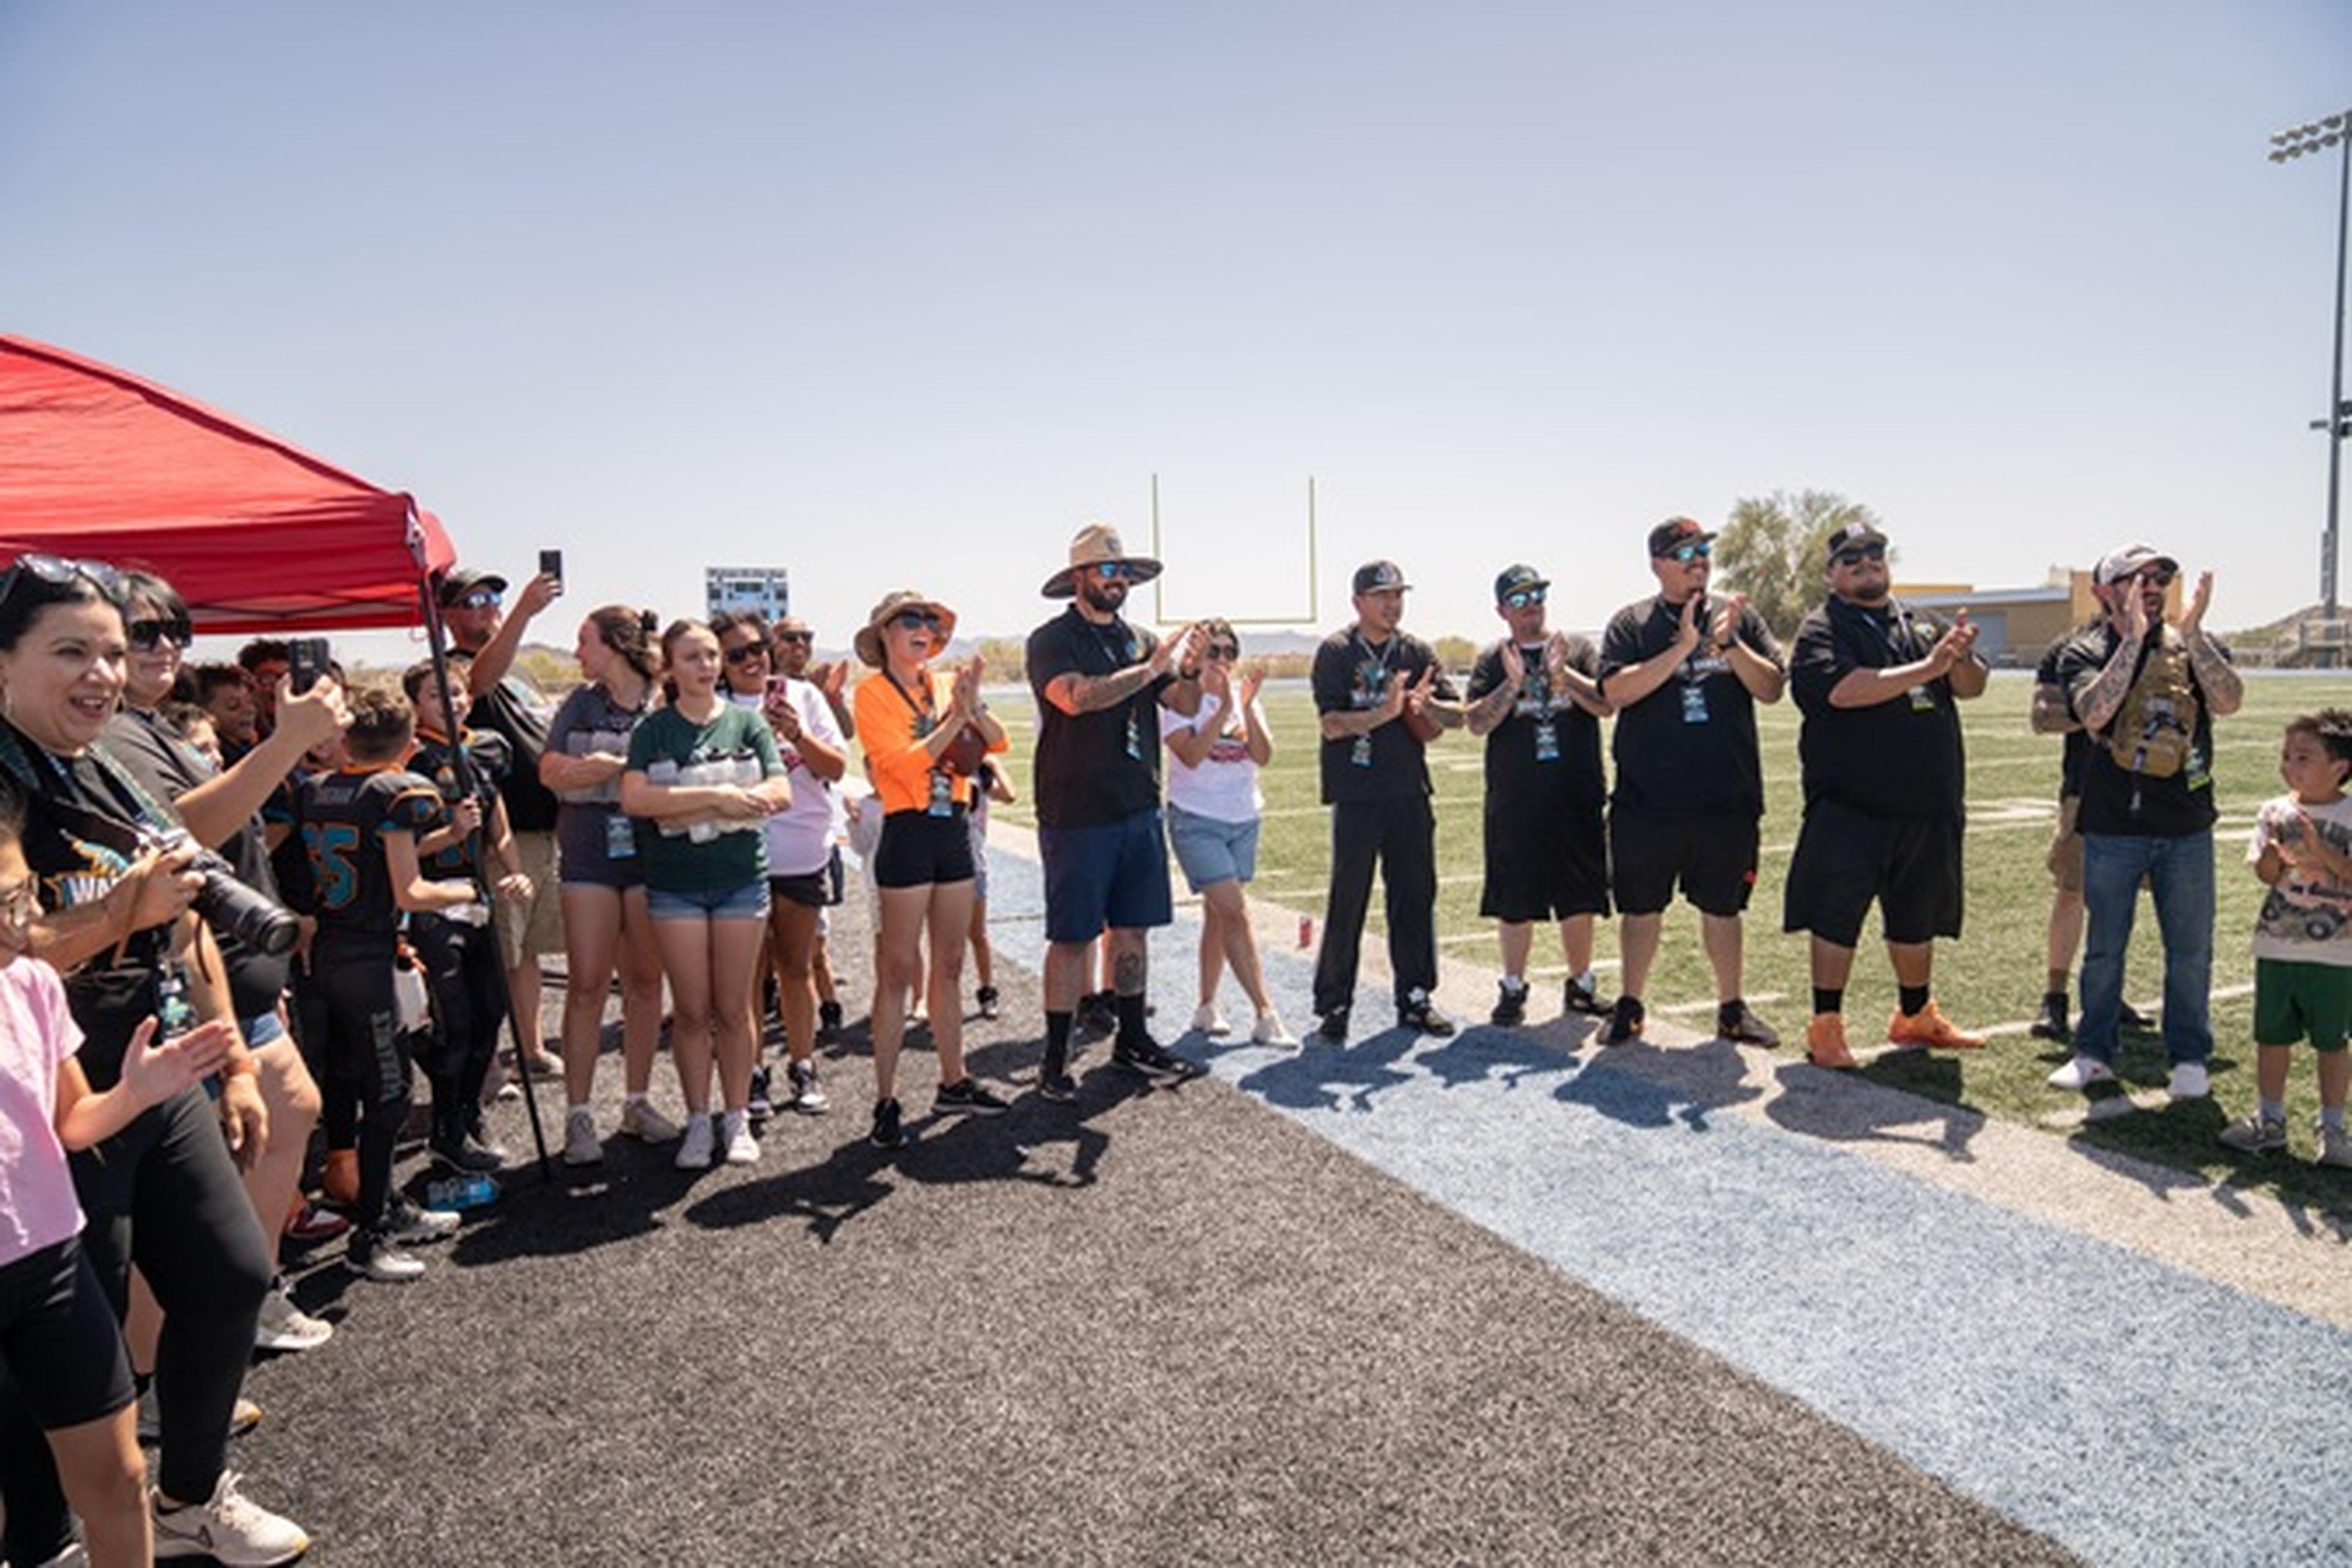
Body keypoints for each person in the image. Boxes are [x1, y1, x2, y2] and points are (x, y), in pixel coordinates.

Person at [0, 554, 309, 1568]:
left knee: (229, 1274)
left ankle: (188, 1495)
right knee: (62, 1363)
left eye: (113, 652)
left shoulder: (107, 766)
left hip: (157, 1060)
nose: (102, 672)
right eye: (71, 652)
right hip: (56, 1092)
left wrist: (226, 1061)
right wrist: (122, 910)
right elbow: (15, 943)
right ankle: (53, 1536)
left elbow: (184, 923)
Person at [100, 570, 342, 1354]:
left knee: (288, 1112)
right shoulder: (110, 733)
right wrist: (287, 741)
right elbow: (187, 834)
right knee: (177, 1194)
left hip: (229, 978)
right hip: (172, 991)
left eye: (177, 630)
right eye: (143, 632)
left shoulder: (155, 726)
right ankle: (154, 1371)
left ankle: (242, 1304)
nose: (165, 645)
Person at [0, 790, 241, 1568]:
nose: (18, 922)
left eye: (20, 895)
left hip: (50, 1265)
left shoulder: (31, 983)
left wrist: (139, 1090)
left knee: (119, 1475)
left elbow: (71, 1122)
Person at [1783, 522, 1989, 1068]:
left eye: (1874, 554)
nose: (1865, 563)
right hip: (1852, 804)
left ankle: (1915, 1015)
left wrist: (1960, 658)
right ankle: (1825, 1026)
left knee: (1917, 914)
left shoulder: (1919, 620)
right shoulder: (1822, 627)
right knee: (1836, 914)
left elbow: (1970, 687)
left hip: (1928, 801)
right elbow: (1843, 691)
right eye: (1850, 558)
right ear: (1831, 573)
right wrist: (1929, 667)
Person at [2043, 545, 2242, 1098]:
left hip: (2187, 825)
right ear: (2104, 591)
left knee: (2190, 949)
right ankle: (2094, 1052)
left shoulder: (2192, 644)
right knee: (2105, 947)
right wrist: (2131, 640)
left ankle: (2189, 1058)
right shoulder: (2084, 650)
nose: (2152, 586)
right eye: (2136, 578)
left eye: (2161, 578)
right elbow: (2094, 712)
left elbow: (2228, 701)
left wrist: (2195, 632)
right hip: (2111, 826)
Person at [298, 687, 472, 1280]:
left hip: (331, 951)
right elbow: (410, 890)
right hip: (366, 959)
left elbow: (378, 855)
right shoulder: (396, 791)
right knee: (391, 1094)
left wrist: (444, 840)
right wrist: (468, 891)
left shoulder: (317, 788)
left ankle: (385, 1203)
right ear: (406, 743)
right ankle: (369, 1232)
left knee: (358, 1079)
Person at [1027, 525, 1207, 1093]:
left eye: (1123, 570)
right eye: (1106, 570)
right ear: (1078, 577)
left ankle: (1132, 1039)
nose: (1117, 580)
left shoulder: (1138, 639)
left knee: (1133, 932)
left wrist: (1191, 670)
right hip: (1076, 809)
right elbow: (1076, 698)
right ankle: (1055, 1060)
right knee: (1073, 937)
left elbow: (1183, 703)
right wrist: (1152, 670)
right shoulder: (1051, 639)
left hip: (1136, 805)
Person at [1596, 518, 1785, 1050]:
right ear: (1657, 563)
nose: (1698, 559)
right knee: (1641, 907)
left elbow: (1772, 688)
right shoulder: (1631, 623)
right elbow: (1615, 692)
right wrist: (1681, 649)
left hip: (1726, 798)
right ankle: (1630, 1005)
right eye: (1685, 552)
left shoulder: (1737, 617)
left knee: (1724, 907)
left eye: (1703, 550)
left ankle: (1731, 1008)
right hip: (1647, 801)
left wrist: (1729, 645)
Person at [620, 619, 794, 1168]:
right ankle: (699, 1120)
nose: (707, 666)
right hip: (676, 888)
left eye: (712, 655)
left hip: (741, 880)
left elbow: (779, 791)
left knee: (735, 1006)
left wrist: (698, 804)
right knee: (692, 1011)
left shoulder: (747, 722)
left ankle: (737, 1117)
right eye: (692, 657)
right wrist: (720, 797)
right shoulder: (653, 731)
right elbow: (636, 800)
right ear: (669, 667)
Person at [856, 591, 1012, 1145]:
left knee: (949, 966)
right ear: (885, 636)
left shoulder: (947, 684)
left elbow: (1000, 743)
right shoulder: (871, 694)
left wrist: (973, 706)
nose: (923, 629)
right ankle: (886, 1099)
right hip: (908, 833)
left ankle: (954, 1079)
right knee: (898, 974)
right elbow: (899, 764)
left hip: (954, 830)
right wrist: (954, 722)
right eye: (910, 621)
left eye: (930, 622)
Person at [540, 606, 679, 1164]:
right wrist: (604, 769)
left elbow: (678, 771)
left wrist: (607, 767)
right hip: (589, 856)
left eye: (583, 641)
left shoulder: (665, 700)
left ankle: (637, 1102)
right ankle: (578, 1117)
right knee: (587, 985)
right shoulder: (579, 702)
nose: (576, 654)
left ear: (615, 646)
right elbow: (549, 771)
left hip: (650, 858)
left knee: (646, 984)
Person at [1310, 559, 1464, 1042]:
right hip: (1356, 793)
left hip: (1406, 790)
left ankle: (1415, 996)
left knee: (1415, 895)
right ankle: (1334, 1003)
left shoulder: (1416, 651)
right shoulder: (1336, 651)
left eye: (1398, 595)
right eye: (1382, 596)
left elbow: (1452, 719)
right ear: (1359, 602)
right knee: (1348, 897)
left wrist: (1425, 707)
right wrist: (1385, 713)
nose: (1392, 604)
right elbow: (1332, 723)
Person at [1464, 565, 1613, 1027]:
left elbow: (1606, 705)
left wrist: (1563, 674)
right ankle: (1513, 987)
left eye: (1538, 595)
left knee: (1579, 896)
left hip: (1575, 791)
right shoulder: (1494, 658)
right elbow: (1476, 722)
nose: (1532, 606)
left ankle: (1581, 984)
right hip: (1517, 798)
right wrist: (1512, 685)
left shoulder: (1578, 649)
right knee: (1515, 897)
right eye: (1521, 599)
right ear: (1502, 609)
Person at [715, 609, 847, 1117]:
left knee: (796, 965)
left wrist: (798, 735)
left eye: (757, 648)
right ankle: (751, 1072)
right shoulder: (712, 706)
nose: (752, 660)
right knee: (748, 973)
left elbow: (835, 767)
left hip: (801, 853)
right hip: (735, 855)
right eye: (737, 654)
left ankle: (803, 1064)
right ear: (720, 664)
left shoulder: (804, 697)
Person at [437, 564, 566, 1083]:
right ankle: (487, 1061)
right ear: (445, 615)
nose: (486, 606)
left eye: (493, 596)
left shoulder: (518, 667)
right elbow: (476, 681)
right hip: (497, 834)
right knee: (494, 953)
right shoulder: (451, 669)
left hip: (542, 826)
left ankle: (529, 1047)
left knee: (527, 950)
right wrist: (523, 613)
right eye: (471, 600)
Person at [404, 662, 535, 1170]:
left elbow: (496, 821)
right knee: (452, 1024)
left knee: (490, 1011)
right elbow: (403, 849)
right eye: (437, 695)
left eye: (457, 692)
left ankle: (470, 1112)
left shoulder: (484, 746)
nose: (452, 701)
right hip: (434, 902)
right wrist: (452, 834)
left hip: (478, 896)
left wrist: (514, 869)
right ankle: (446, 1129)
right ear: (417, 705)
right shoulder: (410, 758)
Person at [2218, 709, 2352, 1166]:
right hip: (2277, 941)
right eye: (2286, 756)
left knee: (2332, 1041)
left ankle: (2332, 1128)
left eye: (2304, 757)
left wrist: (2321, 852)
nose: (2290, 765)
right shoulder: (2274, 811)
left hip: (2337, 950)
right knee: (2271, 1036)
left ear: (2340, 767)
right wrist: (2275, 860)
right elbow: (2264, 874)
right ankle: (2270, 1119)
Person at [1161, 619, 1292, 1046]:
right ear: (1195, 657)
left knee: (1218, 916)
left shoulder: (1242, 698)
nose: (1221, 660)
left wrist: (1247, 708)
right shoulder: (1180, 701)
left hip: (1243, 819)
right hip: (1195, 818)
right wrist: (1219, 712)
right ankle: (1265, 1013)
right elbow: (1193, 755)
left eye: (1229, 652)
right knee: (1235, 911)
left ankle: (1206, 1005)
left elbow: (1264, 755)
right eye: (1212, 651)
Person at [773, 614, 850, 1041]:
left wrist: (830, 698)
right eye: (790, 637)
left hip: (809, 840)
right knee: (758, 959)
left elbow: (840, 757)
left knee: (808, 948)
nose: (800, 644)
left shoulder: (811, 696)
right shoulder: (734, 697)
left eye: (807, 637)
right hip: (757, 843)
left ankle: (824, 1011)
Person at [965, 758, 1016, 1021]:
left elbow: (1009, 795)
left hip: (974, 864)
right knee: (943, 938)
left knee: (978, 934)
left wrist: (995, 764)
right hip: (945, 864)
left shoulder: (981, 778)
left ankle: (987, 989)